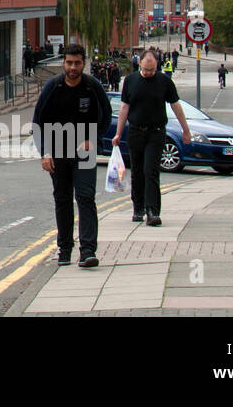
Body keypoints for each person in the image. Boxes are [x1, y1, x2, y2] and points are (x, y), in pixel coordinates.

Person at [32, 44, 112, 268]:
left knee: (85, 197)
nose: (73, 67)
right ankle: (64, 248)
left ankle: (87, 251)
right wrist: (44, 153)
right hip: (57, 152)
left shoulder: (91, 86)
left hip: (84, 153)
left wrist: (92, 139)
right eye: (69, 63)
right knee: (63, 199)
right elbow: (38, 122)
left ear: (83, 63)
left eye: (77, 63)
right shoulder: (53, 87)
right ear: (64, 63)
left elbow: (105, 118)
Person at [112, 49, 190, 225]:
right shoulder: (131, 80)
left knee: (151, 171)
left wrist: (186, 129)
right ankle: (138, 208)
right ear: (139, 63)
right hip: (135, 131)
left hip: (156, 132)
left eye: (152, 70)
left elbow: (176, 105)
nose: (148, 73)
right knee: (137, 171)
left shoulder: (164, 81)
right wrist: (118, 133)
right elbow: (124, 108)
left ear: (157, 66)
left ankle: (152, 211)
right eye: (146, 70)